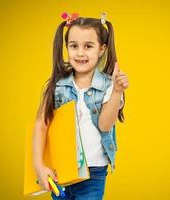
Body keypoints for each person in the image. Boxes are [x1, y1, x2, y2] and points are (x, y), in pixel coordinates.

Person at [32, 12, 129, 200]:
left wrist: (117, 91)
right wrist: (39, 166)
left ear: (101, 49)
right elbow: (40, 125)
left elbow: (105, 125)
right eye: (74, 46)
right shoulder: (57, 86)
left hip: (93, 174)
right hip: (60, 172)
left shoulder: (109, 86)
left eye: (88, 46)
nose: (80, 53)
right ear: (66, 47)